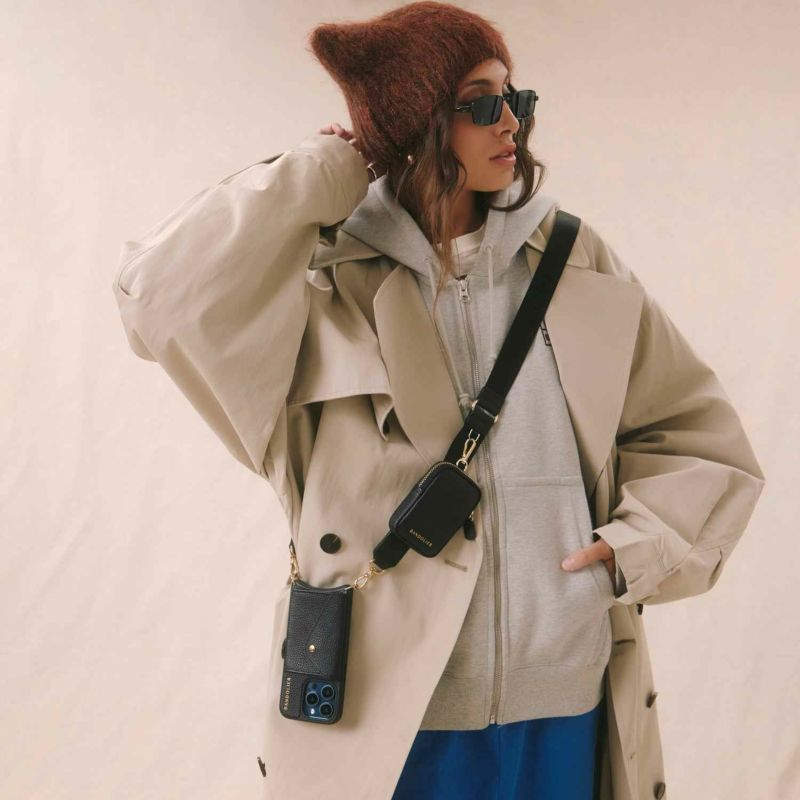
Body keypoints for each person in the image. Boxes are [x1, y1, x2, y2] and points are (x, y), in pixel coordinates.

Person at [111, 3, 766, 799]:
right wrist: (325, 169)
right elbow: (156, 296)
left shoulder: (569, 258)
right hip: (389, 720)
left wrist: (630, 552)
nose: (511, 122)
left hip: (565, 699)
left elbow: (695, 433)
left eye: (515, 99)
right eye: (480, 103)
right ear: (416, 122)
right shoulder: (320, 283)